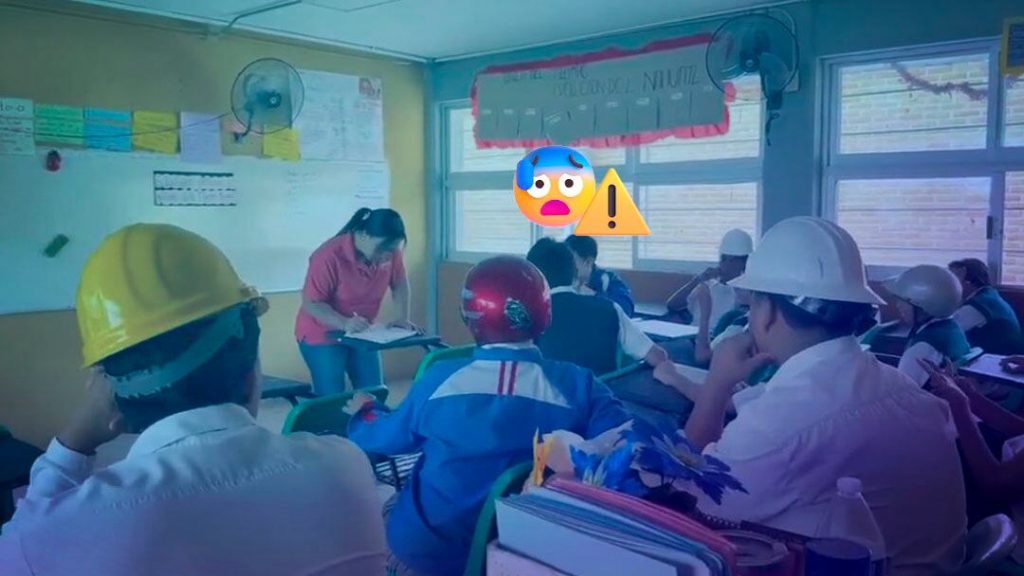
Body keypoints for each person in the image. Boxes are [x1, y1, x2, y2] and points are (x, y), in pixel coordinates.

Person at [0, 224, 385, 576]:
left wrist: (73, 442)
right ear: (253, 374)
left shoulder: (62, 531)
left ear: (111, 400)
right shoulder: (345, 467)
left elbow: (21, 544)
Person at [685, 216, 966, 575]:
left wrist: (715, 384)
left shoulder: (779, 427)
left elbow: (694, 494)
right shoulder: (898, 385)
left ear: (766, 311)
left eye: (753, 303)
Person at [342, 255, 632, 576]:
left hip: (429, 555)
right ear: (545, 314)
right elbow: (626, 439)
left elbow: (384, 439)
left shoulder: (441, 380)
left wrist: (365, 411)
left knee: (386, 502)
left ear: (469, 316)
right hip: (522, 554)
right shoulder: (579, 384)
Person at [295, 207, 413, 394]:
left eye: (391, 250)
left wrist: (401, 317)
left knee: (374, 391)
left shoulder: (389, 252)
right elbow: (312, 303)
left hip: (362, 332)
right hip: (322, 332)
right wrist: (344, 323)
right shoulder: (328, 255)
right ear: (363, 235)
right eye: (382, 248)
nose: (386, 255)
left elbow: (399, 283)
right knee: (332, 396)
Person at [923, 360, 1024, 565]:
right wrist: (971, 397)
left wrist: (959, 405)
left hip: (1010, 523)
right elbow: (1018, 429)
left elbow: (996, 485)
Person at [527, 238, 667, 375]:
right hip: (602, 388)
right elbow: (658, 356)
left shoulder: (529, 315)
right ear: (574, 272)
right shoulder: (610, 309)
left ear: (531, 276)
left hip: (546, 389)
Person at [885, 264, 971, 387]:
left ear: (922, 305)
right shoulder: (951, 327)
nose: (898, 305)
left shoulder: (923, 348)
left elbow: (901, 391)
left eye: (902, 301)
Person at [665, 228, 753, 329]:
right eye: (723, 258)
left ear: (745, 263)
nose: (725, 264)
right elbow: (672, 305)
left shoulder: (745, 293)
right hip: (691, 333)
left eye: (733, 260)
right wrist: (698, 280)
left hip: (717, 337)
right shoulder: (707, 285)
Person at [949, 258, 1024, 355]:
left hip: (999, 359)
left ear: (968, 281)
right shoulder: (989, 295)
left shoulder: (977, 306)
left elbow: (946, 330)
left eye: (953, 280)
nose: (948, 285)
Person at [564, 234, 635, 316]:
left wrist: (594, 295)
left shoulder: (608, 279)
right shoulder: (562, 278)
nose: (566, 264)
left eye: (571, 260)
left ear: (588, 262)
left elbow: (626, 309)